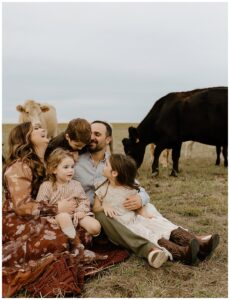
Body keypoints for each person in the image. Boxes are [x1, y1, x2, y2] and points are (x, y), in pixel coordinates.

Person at [74, 121, 220, 267]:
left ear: (108, 139)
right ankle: (159, 249)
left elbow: (137, 187)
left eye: (97, 134)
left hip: (123, 206)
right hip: (98, 212)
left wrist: (140, 199)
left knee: (148, 213)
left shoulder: (115, 162)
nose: (91, 137)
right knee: (107, 216)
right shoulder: (76, 161)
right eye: (90, 133)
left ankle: (194, 242)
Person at [2, 122, 104, 297]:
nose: (42, 128)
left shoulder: (44, 160)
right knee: (59, 238)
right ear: (25, 138)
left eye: (42, 125)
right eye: (35, 128)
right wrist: (56, 208)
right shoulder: (19, 166)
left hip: (44, 214)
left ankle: (74, 248)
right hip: (20, 220)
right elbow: (22, 206)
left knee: (82, 230)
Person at [93, 153, 220, 266]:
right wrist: (105, 206)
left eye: (106, 165)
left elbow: (135, 206)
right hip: (124, 224)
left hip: (135, 218)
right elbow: (96, 207)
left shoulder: (129, 188)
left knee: (159, 225)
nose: (104, 166)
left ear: (114, 173)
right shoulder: (103, 187)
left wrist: (143, 213)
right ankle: (183, 253)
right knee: (151, 236)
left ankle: (199, 245)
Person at [36, 148, 101, 244]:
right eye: (66, 167)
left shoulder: (76, 184)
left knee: (95, 226)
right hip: (56, 218)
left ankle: (80, 236)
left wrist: (80, 211)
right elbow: (40, 206)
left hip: (75, 216)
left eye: (72, 167)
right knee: (64, 217)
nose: (70, 170)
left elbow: (84, 201)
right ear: (54, 169)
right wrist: (50, 216)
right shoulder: (47, 186)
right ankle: (75, 244)